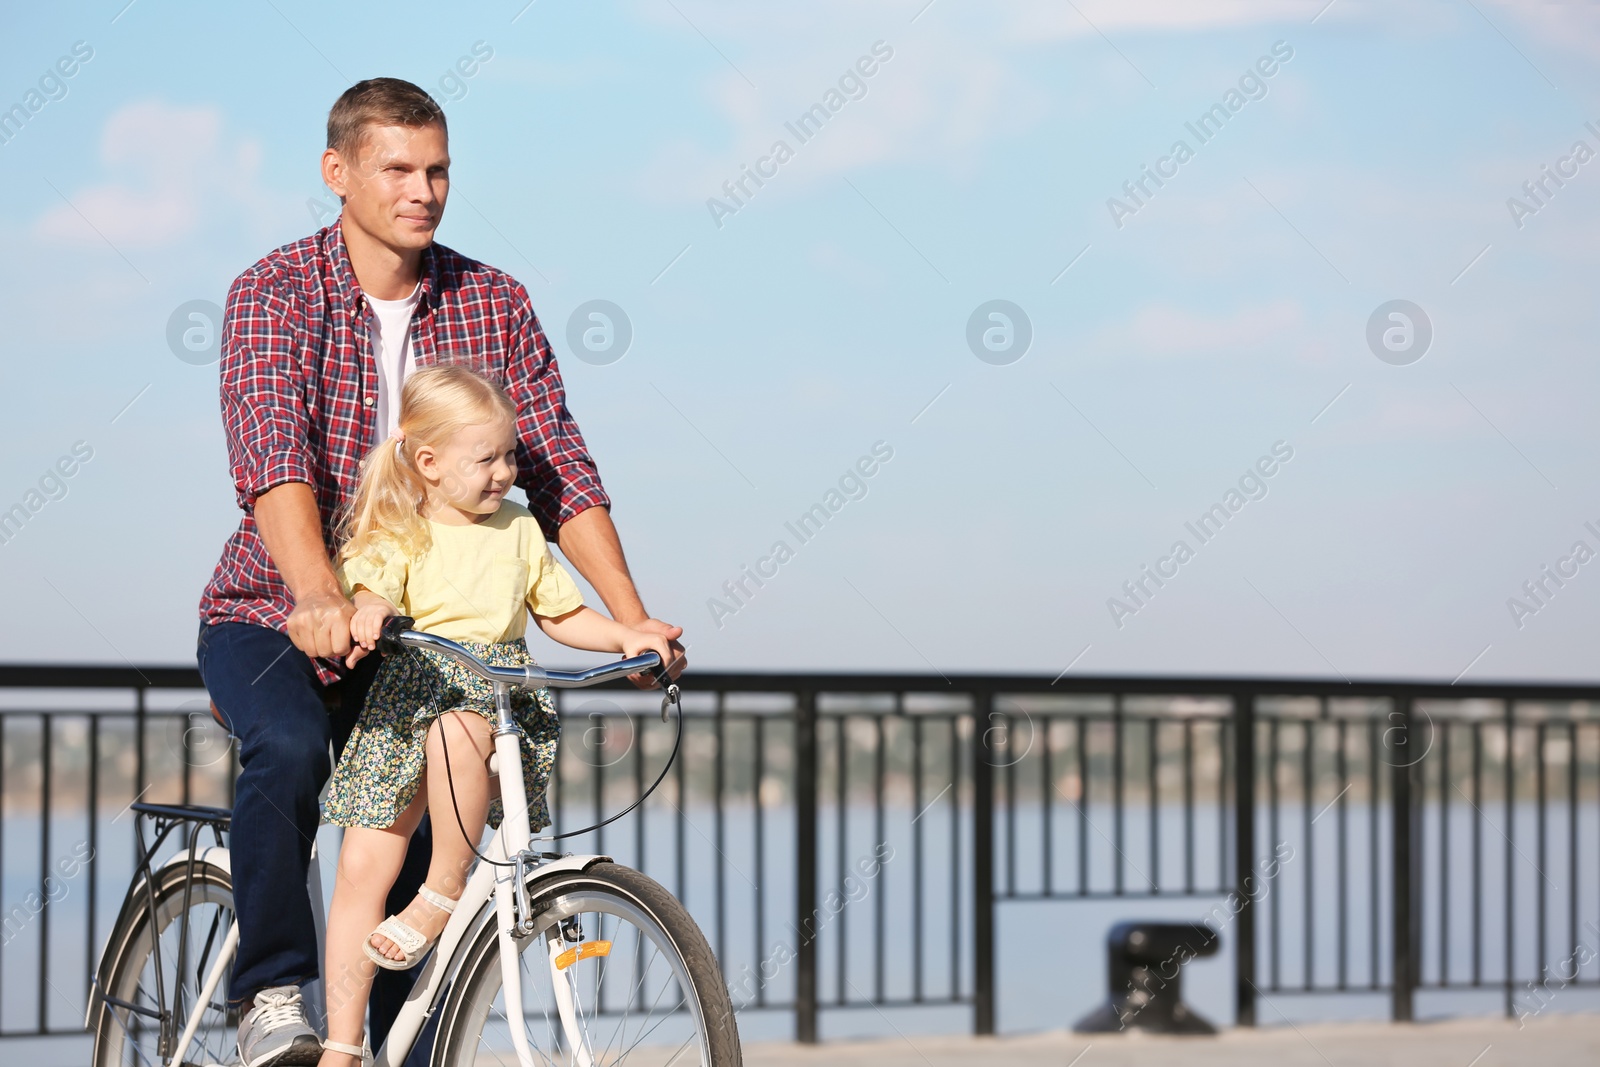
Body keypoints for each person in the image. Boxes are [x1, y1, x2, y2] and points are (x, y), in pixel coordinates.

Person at [196, 77, 684, 1067]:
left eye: (439, 170)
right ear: (338, 174)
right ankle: (268, 994)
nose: (424, 189)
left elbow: (555, 468)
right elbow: (272, 459)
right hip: (275, 606)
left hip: (430, 636)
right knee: (286, 748)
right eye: (399, 169)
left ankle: (394, 1047)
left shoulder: (491, 301)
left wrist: (632, 619)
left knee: (440, 819)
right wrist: (320, 595)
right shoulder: (275, 291)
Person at [312, 365, 671, 1066]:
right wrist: (372, 609)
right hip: (406, 697)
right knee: (360, 865)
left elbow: (559, 612)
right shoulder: (399, 527)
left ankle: (444, 888)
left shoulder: (517, 527)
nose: (505, 470)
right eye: (488, 458)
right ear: (429, 463)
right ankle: (343, 1042)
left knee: (460, 730)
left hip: (490, 695)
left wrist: (626, 634)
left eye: (510, 455)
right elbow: (370, 587)